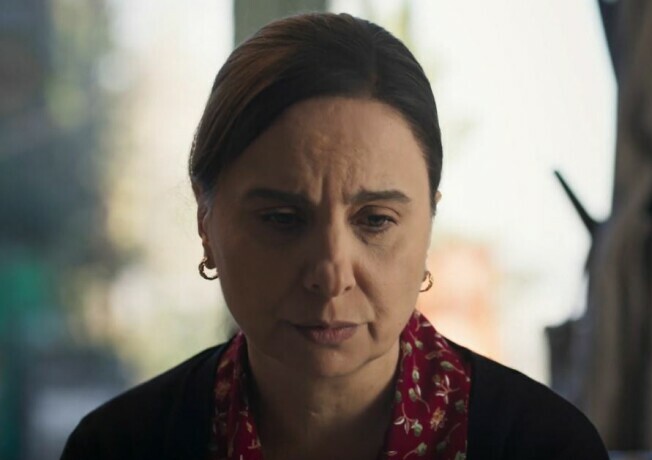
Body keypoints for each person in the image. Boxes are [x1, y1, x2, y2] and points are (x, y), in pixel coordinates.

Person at [61, 12, 608, 460]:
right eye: (282, 218)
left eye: (375, 220)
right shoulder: (121, 446)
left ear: (428, 225)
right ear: (207, 223)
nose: (330, 273)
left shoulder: (541, 446)